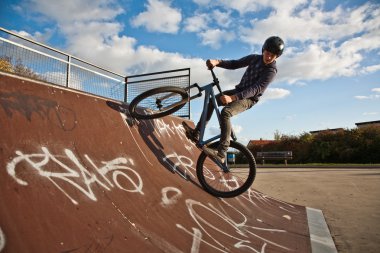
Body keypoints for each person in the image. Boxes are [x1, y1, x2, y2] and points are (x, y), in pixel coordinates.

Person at [183, 36, 285, 163]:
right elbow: (235, 64)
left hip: (249, 99)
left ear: (277, 57)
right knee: (212, 102)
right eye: (268, 53)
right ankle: (196, 133)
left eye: (273, 56)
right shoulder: (254, 58)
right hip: (238, 91)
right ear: (263, 50)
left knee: (226, 112)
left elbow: (256, 89)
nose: (269, 57)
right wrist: (217, 62)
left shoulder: (271, 70)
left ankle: (221, 152)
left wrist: (232, 98)